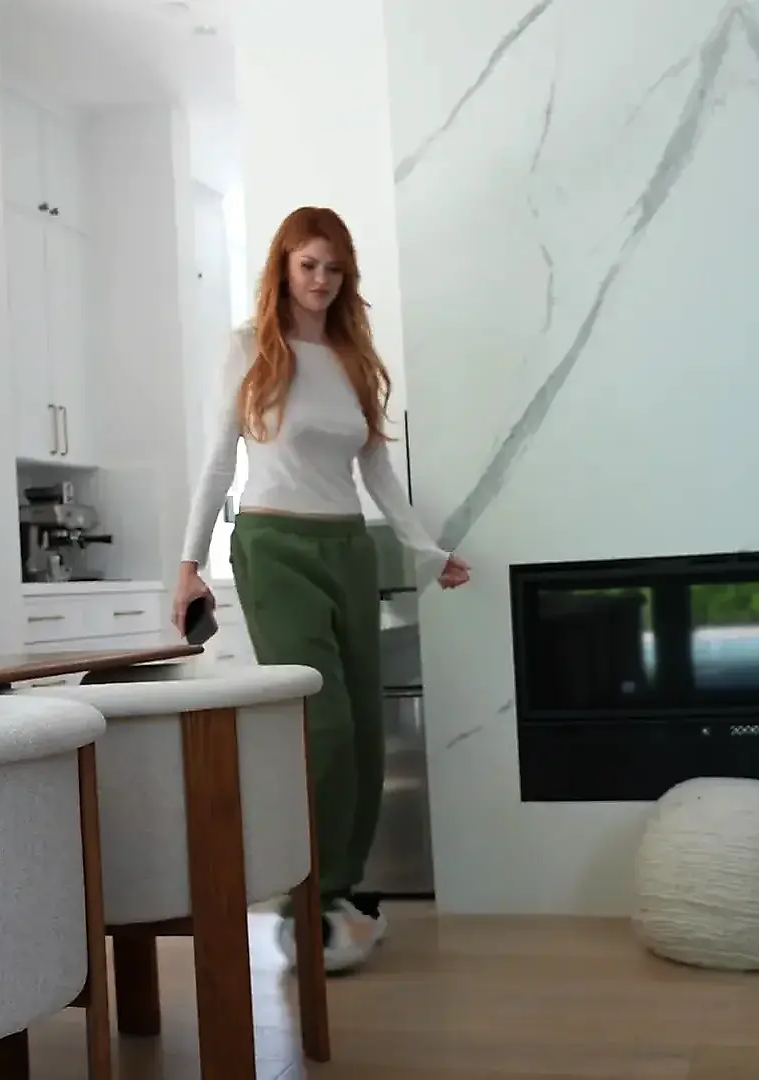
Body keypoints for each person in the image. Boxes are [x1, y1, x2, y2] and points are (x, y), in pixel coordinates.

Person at [174, 206, 470, 974]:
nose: (321, 279)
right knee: (325, 725)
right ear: (284, 265)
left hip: (348, 548)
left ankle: (342, 893)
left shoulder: (351, 357)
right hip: (275, 548)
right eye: (308, 264)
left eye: (334, 268)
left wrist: (427, 550)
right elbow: (217, 459)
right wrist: (189, 561)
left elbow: (376, 470)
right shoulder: (248, 348)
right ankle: (304, 895)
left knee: (366, 732)